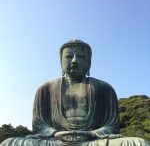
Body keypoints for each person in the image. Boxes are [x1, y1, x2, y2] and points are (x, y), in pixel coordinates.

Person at [1, 40, 149, 146]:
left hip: (93, 141)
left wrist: (91, 134)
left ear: (89, 62)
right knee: (11, 143)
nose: (74, 61)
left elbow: (112, 126)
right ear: (60, 60)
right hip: (55, 141)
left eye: (81, 57)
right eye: (68, 56)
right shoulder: (45, 88)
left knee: (138, 143)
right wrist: (55, 133)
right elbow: (39, 126)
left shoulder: (104, 88)